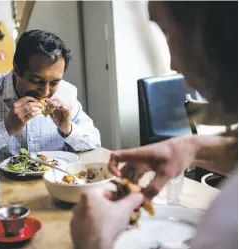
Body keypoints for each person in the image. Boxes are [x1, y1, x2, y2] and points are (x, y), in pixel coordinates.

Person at [71, 2, 238, 249]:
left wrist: (95, 241)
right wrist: (193, 147)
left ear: (216, 31)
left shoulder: (228, 222)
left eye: (168, 32)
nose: (173, 64)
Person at [0, 30, 101, 162]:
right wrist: (6, 128)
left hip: (54, 182)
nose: (45, 92)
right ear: (16, 70)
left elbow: (94, 143)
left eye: (54, 82)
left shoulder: (66, 93)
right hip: (2, 184)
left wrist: (68, 129)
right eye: (36, 81)